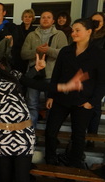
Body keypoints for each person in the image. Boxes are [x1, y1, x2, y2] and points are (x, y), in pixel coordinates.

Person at [0, 49, 88, 181]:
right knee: (4, 178)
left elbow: (37, 84)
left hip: (24, 134)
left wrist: (65, 86)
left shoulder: (13, 74)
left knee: (22, 177)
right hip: (1, 136)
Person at [45, 18, 105, 169]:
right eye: (73, 30)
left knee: (78, 136)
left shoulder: (98, 53)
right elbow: (56, 74)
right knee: (50, 131)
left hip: (83, 102)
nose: (73, 33)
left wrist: (92, 102)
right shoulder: (66, 51)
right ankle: (50, 161)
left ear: (89, 32)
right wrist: (51, 95)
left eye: (77, 30)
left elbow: (102, 81)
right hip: (61, 99)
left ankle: (74, 166)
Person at [21, 10, 68, 128]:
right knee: (32, 105)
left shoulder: (59, 34)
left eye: (48, 17)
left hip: (51, 75)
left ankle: (50, 134)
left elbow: (65, 54)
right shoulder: (31, 35)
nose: (45, 19)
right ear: (39, 20)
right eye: (43, 17)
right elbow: (24, 54)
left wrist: (48, 50)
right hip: (34, 75)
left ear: (53, 21)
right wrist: (37, 50)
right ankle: (32, 134)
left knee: (51, 105)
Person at [86, 12, 105, 147]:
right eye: (93, 21)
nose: (96, 23)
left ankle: (92, 136)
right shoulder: (87, 35)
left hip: (99, 76)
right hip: (85, 75)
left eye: (98, 21)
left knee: (95, 107)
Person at [16, 9, 37, 73]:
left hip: (30, 57)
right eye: (25, 16)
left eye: (29, 17)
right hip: (18, 56)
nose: (27, 18)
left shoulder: (35, 30)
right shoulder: (16, 28)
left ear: (32, 18)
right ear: (22, 18)